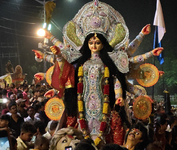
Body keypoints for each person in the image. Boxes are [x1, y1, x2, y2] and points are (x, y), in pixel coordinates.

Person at [33, 0, 163, 146]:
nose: (94, 46)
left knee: (109, 134)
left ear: (103, 44)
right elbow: (64, 65)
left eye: (97, 43)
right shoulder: (80, 62)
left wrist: (119, 96)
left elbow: (116, 80)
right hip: (83, 108)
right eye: (91, 43)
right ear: (86, 44)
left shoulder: (110, 61)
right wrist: (51, 54)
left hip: (105, 109)